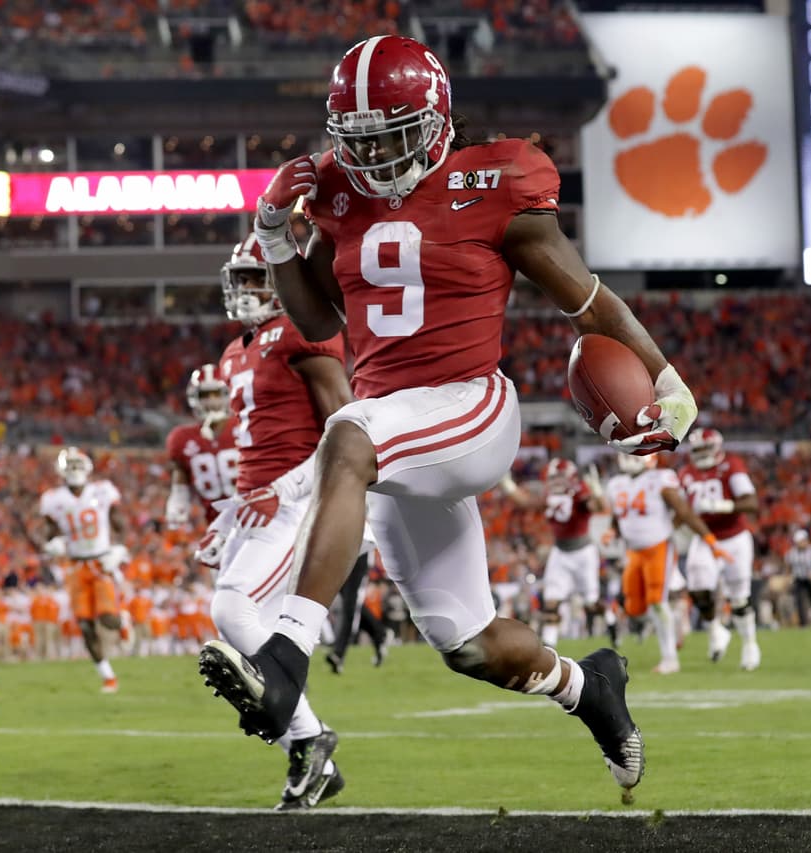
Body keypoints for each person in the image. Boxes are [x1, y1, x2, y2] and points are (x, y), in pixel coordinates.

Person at [197, 34, 697, 802]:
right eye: (359, 142)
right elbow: (321, 318)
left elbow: (588, 302)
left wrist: (663, 375)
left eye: (392, 139)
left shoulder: (498, 181)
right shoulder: (336, 189)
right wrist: (274, 238)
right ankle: (589, 685)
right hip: (399, 442)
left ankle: (288, 654)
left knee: (348, 433)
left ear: (436, 123)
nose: (375, 160)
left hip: (470, 408)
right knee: (466, 642)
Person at [205, 233, 366, 810]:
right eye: (240, 279)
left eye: (256, 278)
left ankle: (308, 736)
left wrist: (289, 487)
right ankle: (310, 751)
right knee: (246, 632)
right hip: (257, 502)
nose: (246, 290)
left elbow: (347, 427)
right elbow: (255, 447)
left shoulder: (302, 330)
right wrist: (228, 520)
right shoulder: (232, 352)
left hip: (301, 500)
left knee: (230, 606)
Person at [606, 454, 728, 675]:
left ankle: (670, 658)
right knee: (633, 607)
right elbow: (619, 516)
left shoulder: (661, 478)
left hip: (658, 547)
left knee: (656, 601)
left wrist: (709, 539)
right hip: (633, 551)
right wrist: (612, 530)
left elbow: (683, 511)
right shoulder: (616, 484)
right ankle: (675, 620)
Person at [39, 447, 130, 692]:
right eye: (70, 467)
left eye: (78, 466)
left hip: (101, 562)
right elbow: (47, 534)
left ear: (88, 468)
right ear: (61, 471)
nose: (75, 471)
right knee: (85, 624)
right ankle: (108, 676)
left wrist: (119, 550)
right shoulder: (52, 499)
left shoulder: (102, 491)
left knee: (108, 618)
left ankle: (123, 621)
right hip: (75, 565)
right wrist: (51, 545)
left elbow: (120, 523)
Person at [678, 428, 762, 671]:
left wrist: (721, 505)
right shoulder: (686, 473)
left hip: (735, 537)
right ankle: (716, 630)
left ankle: (749, 644)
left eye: (706, 449)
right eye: (698, 451)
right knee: (698, 588)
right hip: (705, 538)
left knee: (739, 597)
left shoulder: (731, 466)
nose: (702, 455)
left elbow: (751, 503)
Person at [500, 458, 605, 647]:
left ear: (571, 478)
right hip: (560, 551)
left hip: (583, 552)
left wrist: (597, 493)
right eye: (553, 477)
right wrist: (507, 486)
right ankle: (549, 646)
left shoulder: (580, 493)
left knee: (591, 603)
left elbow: (599, 507)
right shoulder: (550, 496)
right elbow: (527, 502)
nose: (556, 482)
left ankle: (611, 621)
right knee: (551, 601)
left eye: (560, 477)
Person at [165, 365, 240, 564]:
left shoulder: (245, 427)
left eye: (216, 394)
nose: (211, 401)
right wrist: (177, 502)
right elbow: (180, 480)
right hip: (218, 530)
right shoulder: (182, 438)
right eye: (205, 395)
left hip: (256, 522)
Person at [784, 529, 811, 627]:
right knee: (799, 601)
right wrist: (788, 578)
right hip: (799, 580)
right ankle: (803, 623)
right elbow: (788, 568)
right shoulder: (791, 553)